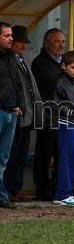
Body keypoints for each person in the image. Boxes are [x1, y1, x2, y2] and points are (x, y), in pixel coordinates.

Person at [31, 28, 74, 202]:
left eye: (63, 41)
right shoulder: (40, 62)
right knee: (45, 153)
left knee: (65, 155)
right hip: (49, 117)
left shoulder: (64, 62)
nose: (61, 45)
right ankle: (43, 190)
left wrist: (68, 69)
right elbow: (53, 83)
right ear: (46, 44)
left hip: (68, 118)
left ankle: (66, 189)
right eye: (57, 41)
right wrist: (64, 71)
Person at [4, 26, 41, 202]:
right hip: (15, 114)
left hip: (24, 116)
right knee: (10, 156)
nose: (24, 45)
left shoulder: (21, 61)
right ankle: (7, 190)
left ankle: (15, 189)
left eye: (26, 42)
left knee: (20, 156)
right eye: (20, 42)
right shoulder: (11, 61)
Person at [52, 51, 74, 206]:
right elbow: (56, 104)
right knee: (67, 159)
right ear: (64, 66)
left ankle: (69, 192)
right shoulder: (60, 82)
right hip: (65, 124)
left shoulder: (71, 81)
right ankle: (62, 194)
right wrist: (73, 110)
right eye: (73, 67)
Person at [0, 21, 25, 209]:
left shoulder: (11, 57)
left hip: (11, 114)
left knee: (3, 159)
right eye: (7, 36)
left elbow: (18, 84)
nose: (11, 39)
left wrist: (20, 106)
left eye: (11, 36)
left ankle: (1, 197)